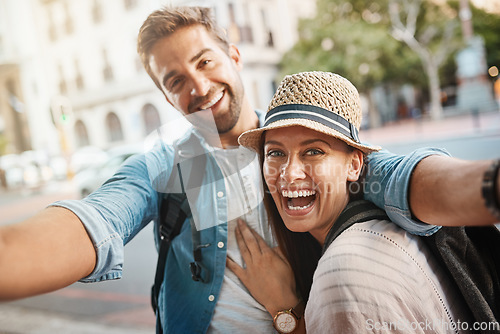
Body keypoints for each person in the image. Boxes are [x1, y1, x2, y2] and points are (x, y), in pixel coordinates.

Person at [0, 6, 499, 334]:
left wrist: (489, 184)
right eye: (175, 79)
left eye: (204, 61)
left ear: (234, 56)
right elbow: (99, 220)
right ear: (165, 95)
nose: (197, 85)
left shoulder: (293, 142)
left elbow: (401, 178)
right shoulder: (169, 165)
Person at [231, 71, 499, 333]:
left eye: (313, 151)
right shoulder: (373, 226)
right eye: (276, 153)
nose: (289, 173)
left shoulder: (341, 273)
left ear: (355, 164)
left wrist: (284, 309)